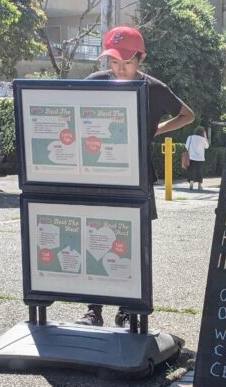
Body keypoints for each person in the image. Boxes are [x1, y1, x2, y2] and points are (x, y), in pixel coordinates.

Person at [76, 25, 195, 327]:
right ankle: (93, 309)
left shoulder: (154, 88)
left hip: (138, 176)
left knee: (133, 241)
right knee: (95, 238)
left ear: (141, 57)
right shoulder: (95, 82)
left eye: (127, 62)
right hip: (99, 174)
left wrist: (155, 131)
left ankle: (128, 306)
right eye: (114, 62)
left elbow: (188, 115)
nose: (120, 68)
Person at [185, 126, 209, 190]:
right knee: (199, 171)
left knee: (191, 170)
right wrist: (205, 136)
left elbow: (186, 147)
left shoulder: (190, 137)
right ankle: (199, 185)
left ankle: (191, 184)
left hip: (191, 157)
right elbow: (207, 146)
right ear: (202, 133)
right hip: (200, 158)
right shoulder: (203, 139)